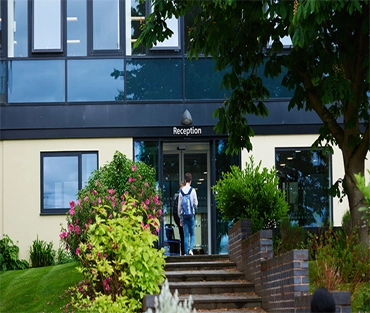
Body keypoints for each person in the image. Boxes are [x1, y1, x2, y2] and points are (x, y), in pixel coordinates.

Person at [177, 173, 198, 256]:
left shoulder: (181, 192)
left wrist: (180, 216)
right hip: (191, 215)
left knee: (186, 235)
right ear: (191, 181)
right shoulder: (193, 191)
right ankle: (191, 250)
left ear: (185, 180)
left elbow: (179, 206)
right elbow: (196, 203)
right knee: (192, 234)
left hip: (184, 216)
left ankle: (185, 253)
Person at [173, 181, 186, 255]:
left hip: (181, 219)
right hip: (182, 219)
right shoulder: (180, 197)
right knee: (184, 235)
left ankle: (184, 251)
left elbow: (175, 210)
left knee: (183, 235)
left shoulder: (178, 197)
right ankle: (184, 251)